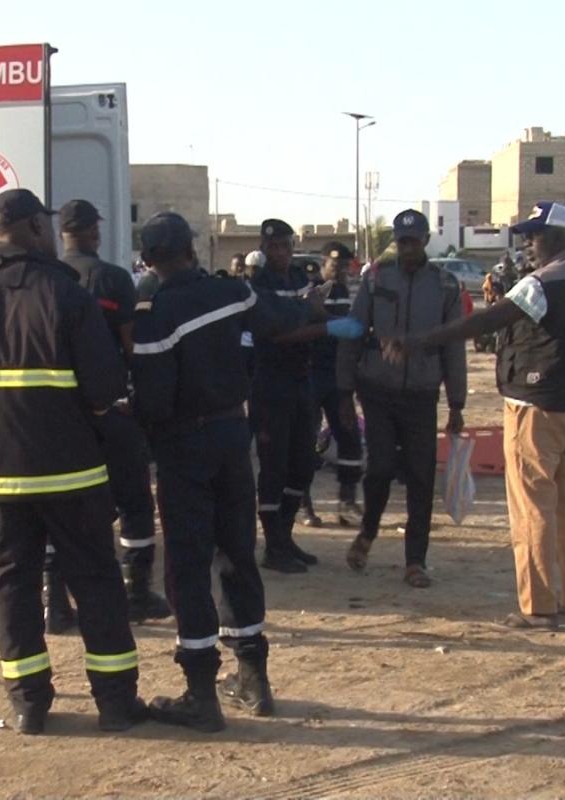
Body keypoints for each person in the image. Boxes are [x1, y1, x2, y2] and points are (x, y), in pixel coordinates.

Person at [129, 212, 361, 732]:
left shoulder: (155, 316)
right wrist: (316, 311)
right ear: (192, 249)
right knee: (236, 554)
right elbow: (278, 322)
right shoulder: (231, 293)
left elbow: (153, 402)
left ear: (148, 260)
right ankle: (254, 679)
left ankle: (200, 693)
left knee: (188, 565)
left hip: (184, 447)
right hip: (234, 437)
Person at [0, 188, 147, 735]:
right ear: (34, 228)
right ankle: (116, 704)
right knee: (96, 581)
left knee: (12, 583)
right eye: (46, 226)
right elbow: (104, 387)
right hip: (69, 472)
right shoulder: (68, 296)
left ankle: (29, 704)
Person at [380, 201, 565, 629]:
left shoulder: (540, 284)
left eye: (534, 235)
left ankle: (539, 607)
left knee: (533, 508)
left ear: (556, 237)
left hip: (533, 408)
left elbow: (484, 323)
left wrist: (418, 341)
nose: (528, 243)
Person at [337, 209, 467, 589]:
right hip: (377, 390)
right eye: (401, 241)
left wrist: (457, 403)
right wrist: (344, 391)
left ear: (425, 240)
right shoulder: (376, 279)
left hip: (422, 394)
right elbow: (353, 333)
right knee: (379, 468)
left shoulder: (445, 285)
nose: (407, 248)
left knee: (421, 476)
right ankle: (368, 533)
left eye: (413, 241)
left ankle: (415, 561)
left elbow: (454, 346)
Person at [57, 199, 170, 626]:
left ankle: (55, 602)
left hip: (61, 415)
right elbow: (130, 343)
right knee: (134, 501)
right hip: (111, 410)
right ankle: (136, 591)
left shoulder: (50, 278)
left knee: (62, 507)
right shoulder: (113, 278)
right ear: (94, 231)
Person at [250, 219, 327, 573]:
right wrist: (314, 319)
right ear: (264, 249)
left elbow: (310, 314)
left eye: (285, 246)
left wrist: (315, 317)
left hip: (302, 380)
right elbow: (272, 331)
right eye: (273, 247)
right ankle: (273, 545)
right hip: (270, 384)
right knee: (274, 466)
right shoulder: (258, 284)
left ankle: (285, 535)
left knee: (302, 462)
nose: (280, 252)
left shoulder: (300, 278)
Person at [301, 242, 364, 529]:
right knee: (306, 440)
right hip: (311, 372)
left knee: (349, 438)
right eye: (334, 265)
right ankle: (304, 504)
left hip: (339, 375)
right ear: (323, 262)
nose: (339, 271)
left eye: (344, 266)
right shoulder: (312, 289)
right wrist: (332, 321)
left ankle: (347, 502)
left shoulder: (351, 292)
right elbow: (308, 319)